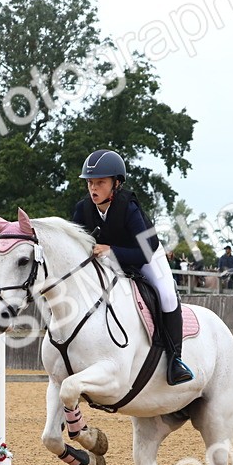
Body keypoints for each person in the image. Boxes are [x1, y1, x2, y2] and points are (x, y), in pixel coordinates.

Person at [72, 148, 193, 386]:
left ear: (116, 184)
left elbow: (144, 253)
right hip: (108, 258)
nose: (93, 188)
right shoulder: (82, 209)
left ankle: (175, 360)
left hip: (147, 256)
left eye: (100, 183)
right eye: (90, 183)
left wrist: (112, 251)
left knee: (167, 296)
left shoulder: (129, 208)